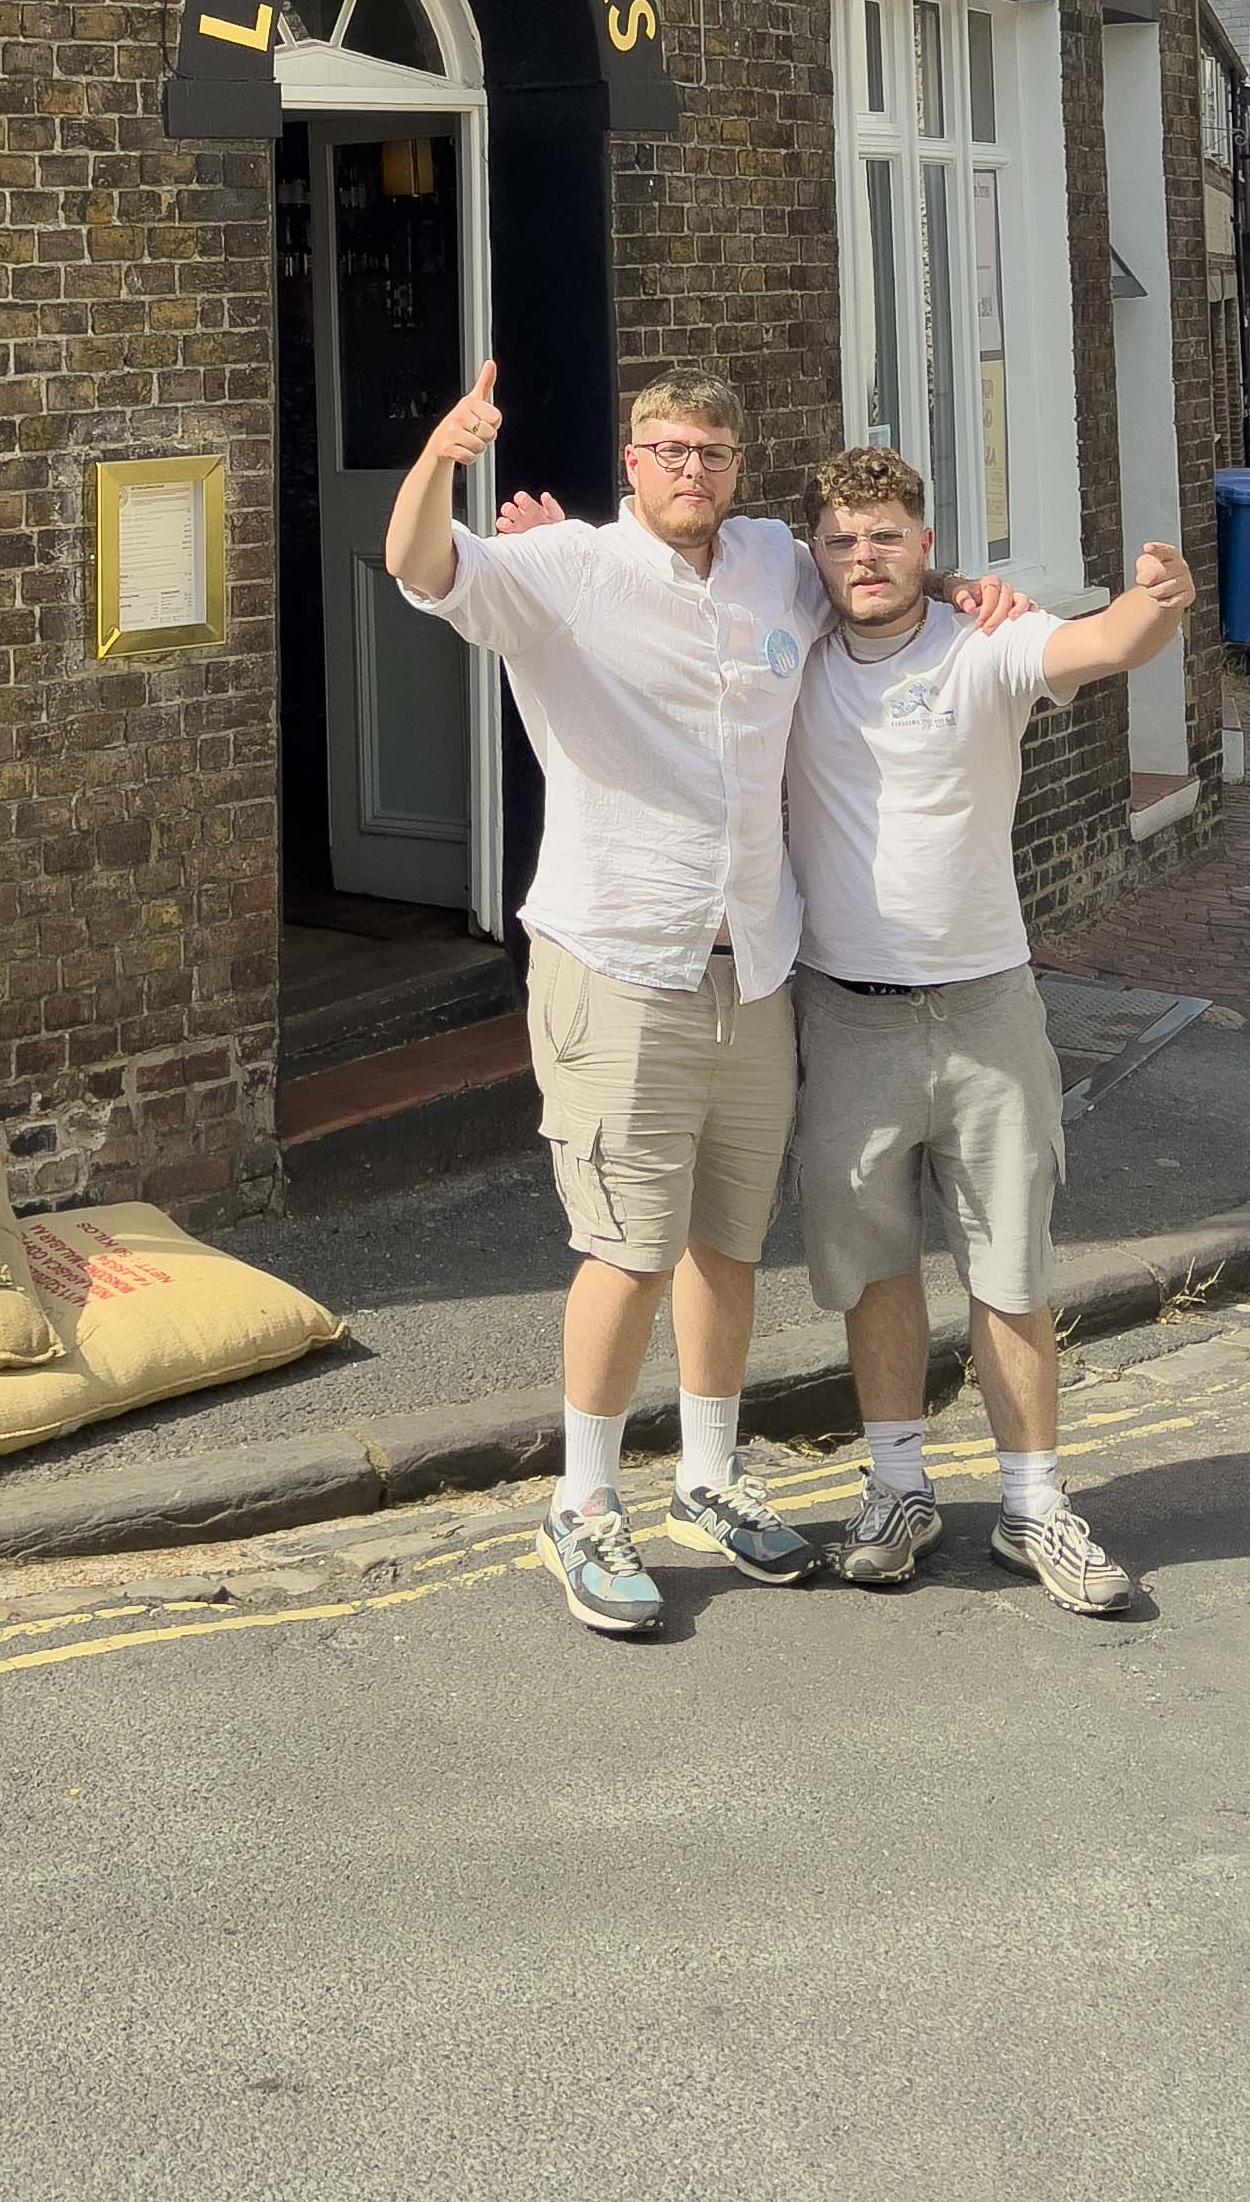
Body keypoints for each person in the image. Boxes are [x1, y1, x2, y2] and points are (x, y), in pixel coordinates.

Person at [384, 361, 1019, 1641]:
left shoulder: (776, 562)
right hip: (620, 958)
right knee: (623, 1246)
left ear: (737, 466)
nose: (690, 470)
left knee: (724, 1241)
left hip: (758, 964)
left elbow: (862, 568)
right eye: (668, 449)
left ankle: (712, 1476)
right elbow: (419, 566)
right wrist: (444, 453)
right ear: (633, 462)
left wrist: (961, 587)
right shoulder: (561, 572)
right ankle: (582, 1503)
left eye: (712, 452)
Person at [785, 449, 1195, 1615]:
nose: (865, 557)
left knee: (1009, 1272)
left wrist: (1154, 599)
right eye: (843, 539)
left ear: (926, 542)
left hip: (985, 1009)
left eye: (888, 536)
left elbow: (1102, 646)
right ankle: (898, 1489)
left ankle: (1033, 1505)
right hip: (845, 1013)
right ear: (818, 555)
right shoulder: (797, 654)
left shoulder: (985, 644)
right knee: (874, 1269)